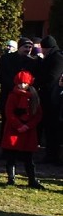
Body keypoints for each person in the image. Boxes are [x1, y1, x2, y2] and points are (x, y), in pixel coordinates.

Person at [1, 70, 44, 188]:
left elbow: (38, 115)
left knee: (28, 157)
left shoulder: (34, 96)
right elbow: (9, 113)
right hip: (14, 129)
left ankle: (32, 179)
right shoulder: (13, 95)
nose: (22, 85)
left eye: (25, 83)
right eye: (20, 83)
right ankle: (11, 178)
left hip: (28, 130)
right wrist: (18, 125)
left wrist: (28, 125)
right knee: (11, 156)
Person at [37, 35, 63, 164]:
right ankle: (50, 154)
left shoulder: (57, 58)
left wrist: (39, 82)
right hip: (50, 97)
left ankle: (53, 155)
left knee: (53, 128)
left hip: (53, 98)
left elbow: (52, 78)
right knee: (50, 128)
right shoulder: (54, 57)